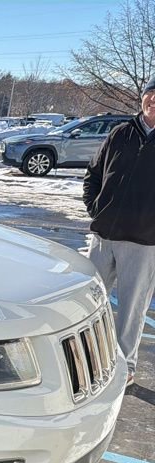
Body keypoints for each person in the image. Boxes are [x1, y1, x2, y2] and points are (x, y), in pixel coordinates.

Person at [82, 76, 155, 388]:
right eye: (151, 92)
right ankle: (85, 361)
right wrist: (95, 208)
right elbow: (94, 173)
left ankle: (125, 367)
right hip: (103, 237)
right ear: (143, 97)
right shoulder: (120, 133)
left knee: (131, 310)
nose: (154, 99)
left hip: (143, 242)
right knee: (87, 303)